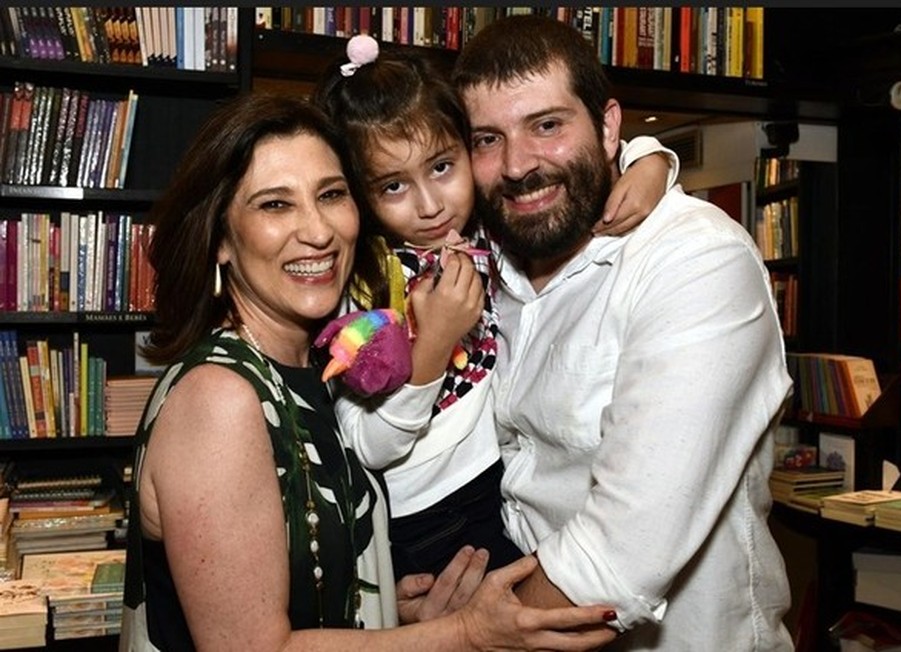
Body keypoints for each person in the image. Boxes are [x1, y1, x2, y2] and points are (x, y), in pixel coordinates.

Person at [120, 92, 621, 651]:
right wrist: (466, 634)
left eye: (331, 195)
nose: (317, 230)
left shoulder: (309, 370)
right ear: (219, 240)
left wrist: (387, 605)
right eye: (275, 205)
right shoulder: (221, 398)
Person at [452, 14, 795, 651]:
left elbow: (622, 549)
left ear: (609, 127)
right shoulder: (483, 268)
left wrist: (460, 635)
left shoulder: (696, 259)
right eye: (486, 139)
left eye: (547, 125)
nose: (519, 165)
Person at [311, 35, 679, 580]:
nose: (431, 205)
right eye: (393, 186)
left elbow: (571, 163)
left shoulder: (484, 230)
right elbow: (368, 446)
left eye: (442, 167)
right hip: (426, 516)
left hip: (494, 488)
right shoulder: (368, 288)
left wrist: (650, 163)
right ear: (359, 195)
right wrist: (432, 346)